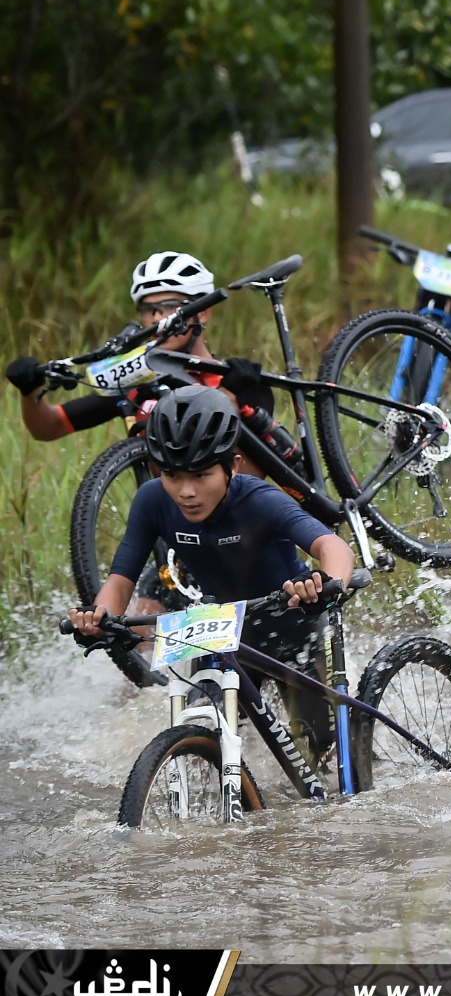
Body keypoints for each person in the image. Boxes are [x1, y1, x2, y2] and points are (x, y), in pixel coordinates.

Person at [70, 387, 356, 744]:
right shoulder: (152, 501)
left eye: (201, 475)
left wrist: (327, 582)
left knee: (321, 756)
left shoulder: (259, 500)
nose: (186, 491)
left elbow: (333, 546)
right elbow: (120, 580)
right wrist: (99, 618)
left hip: (290, 629)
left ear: (231, 467)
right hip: (220, 632)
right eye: (173, 475)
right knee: (202, 737)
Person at [6, 252, 268, 446]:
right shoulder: (136, 381)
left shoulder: (241, 380)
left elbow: (250, 481)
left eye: (169, 306)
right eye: (148, 310)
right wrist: (29, 391)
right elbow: (48, 428)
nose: (156, 319)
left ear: (205, 312)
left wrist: (225, 397)